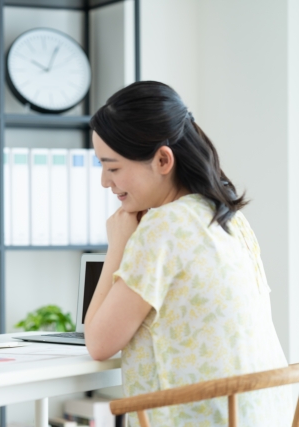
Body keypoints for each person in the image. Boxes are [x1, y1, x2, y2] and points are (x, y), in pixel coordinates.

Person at [84, 81, 293, 426]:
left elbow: (98, 343)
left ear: (163, 160)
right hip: (262, 415)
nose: (105, 182)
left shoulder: (162, 228)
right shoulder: (228, 217)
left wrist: (118, 246)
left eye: (114, 167)